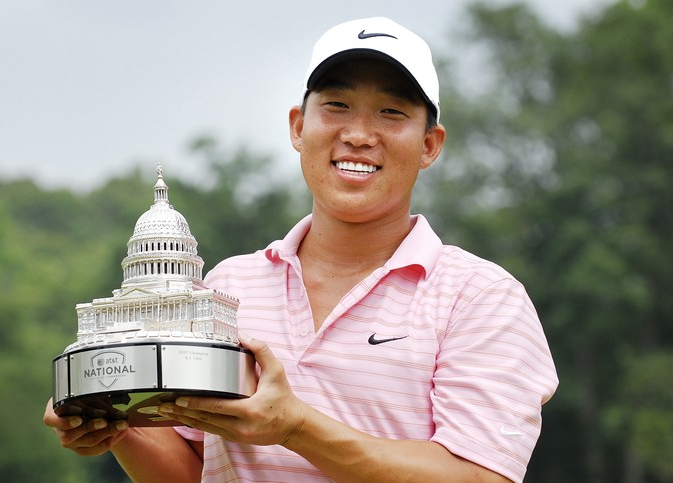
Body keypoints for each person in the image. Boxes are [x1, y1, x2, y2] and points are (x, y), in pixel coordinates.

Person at [44, 16, 558, 482]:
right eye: (336, 105)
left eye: (390, 112)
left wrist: (295, 428)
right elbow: (197, 474)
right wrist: (116, 428)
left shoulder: (482, 298)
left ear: (429, 144)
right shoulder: (230, 286)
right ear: (298, 126)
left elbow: (479, 478)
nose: (358, 134)